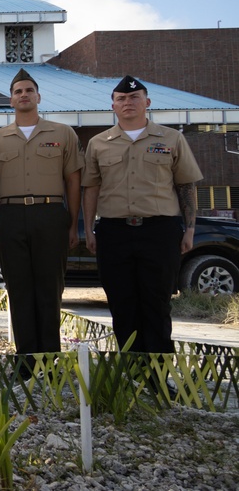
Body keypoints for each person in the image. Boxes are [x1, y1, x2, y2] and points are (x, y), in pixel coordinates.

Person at [83, 76, 203, 353]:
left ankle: (158, 374)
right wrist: (89, 229)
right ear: (113, 106)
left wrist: (190, 229)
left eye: (134, 98)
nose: (128, 103)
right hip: (114, 232)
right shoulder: (99, 143)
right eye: (121, 99)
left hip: (159, 231)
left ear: (147, 102)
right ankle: (131, 372)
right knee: (121, 303)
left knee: (157, 302)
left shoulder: (172, 138)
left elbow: (186, 185)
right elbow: (91, 188)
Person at [0, 68, 83, 376]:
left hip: (50, 212)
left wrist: (72, 222)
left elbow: (73, 180)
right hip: (11, 215)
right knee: (19, 289)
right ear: (10, 101)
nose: (23, 95)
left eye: (29, 90)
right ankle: (25, 361)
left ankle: (50, 360)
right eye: (18, 92)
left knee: (50, 288)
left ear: (39, 97)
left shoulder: (62, 133)